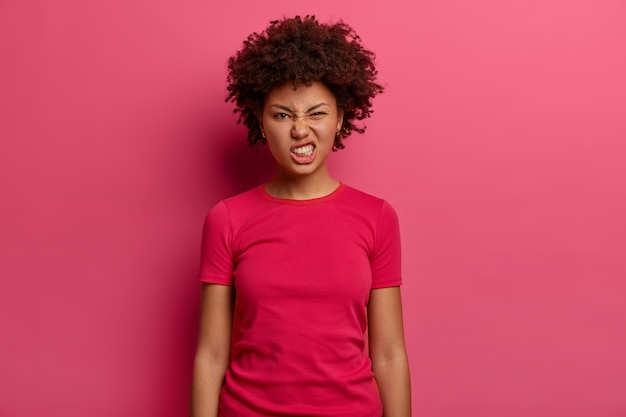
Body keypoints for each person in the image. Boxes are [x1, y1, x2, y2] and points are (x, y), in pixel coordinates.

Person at [191, 15, 411, 417]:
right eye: (282, 115)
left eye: (316, 113)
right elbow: (211, 354)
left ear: (341, 119)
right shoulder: (227, 219)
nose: (300, 130)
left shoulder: (377, 217)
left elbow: (390, 353)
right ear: (260, 121)